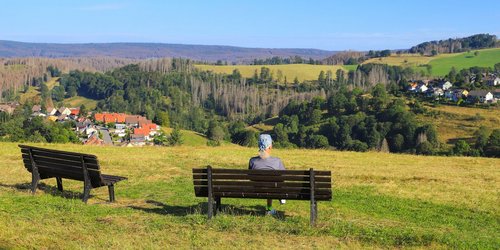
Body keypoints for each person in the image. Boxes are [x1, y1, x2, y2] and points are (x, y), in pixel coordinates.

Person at [248, 134, 286, 215]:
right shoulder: (277, 161)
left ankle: (269, 208)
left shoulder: (252, 161)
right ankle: (280, 196)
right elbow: (283, 176)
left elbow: (250, 177)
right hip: (273, 189)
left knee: (269, 184)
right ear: (270, 147)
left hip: (256, 188)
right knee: (273, 183)